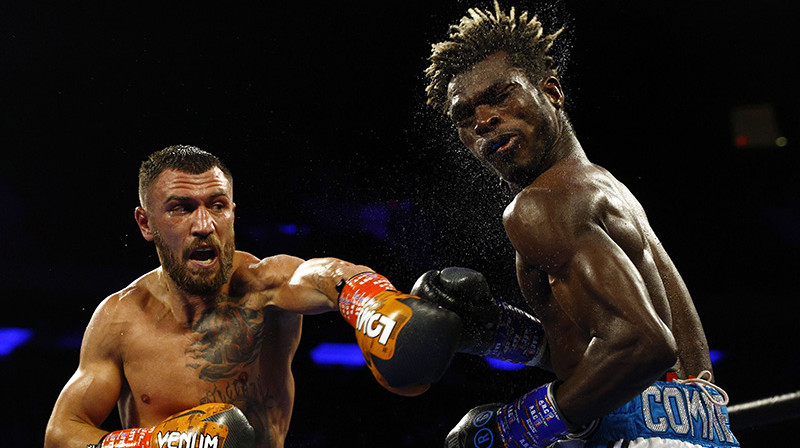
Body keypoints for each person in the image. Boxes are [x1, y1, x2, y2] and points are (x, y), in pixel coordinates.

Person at [411, 3, 739, 447]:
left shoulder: (540, 205)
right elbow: (610, 350)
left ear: (552, 92)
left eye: (501, 95)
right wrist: (499, 332)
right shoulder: (603, 188)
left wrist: (515, 427)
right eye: (465, 116)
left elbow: (642, 346)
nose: (484, 120)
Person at [43, 145, 458, 448]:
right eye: (182, 208)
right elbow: (62, 433)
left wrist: (371, 300)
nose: (204, 224)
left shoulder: (263, 286)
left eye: (217, 205)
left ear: (233, 213)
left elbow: (320, 275)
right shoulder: (119, 319)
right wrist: (162, 441)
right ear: (146, 223)